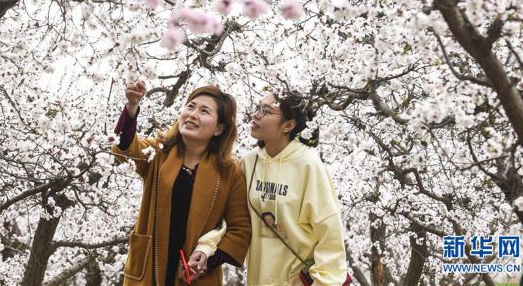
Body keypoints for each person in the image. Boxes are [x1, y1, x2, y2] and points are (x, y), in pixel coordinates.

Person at [189, 91, 349, 285]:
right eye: (258, 108)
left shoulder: (308, 165)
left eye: (266, 111)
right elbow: (233, 217)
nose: (256, 115)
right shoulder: (249, 163)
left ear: (288, 125)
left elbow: (329, 233)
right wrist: (206, 248)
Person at [112, 80, 251, 286]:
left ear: (219, 128)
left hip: (196, 276)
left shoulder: (230, 172)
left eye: (204, 111)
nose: (193, 114)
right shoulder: (159, 153)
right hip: (148, 268)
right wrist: (131, 108)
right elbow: (126, 151)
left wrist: (207, 260)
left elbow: (240, 229)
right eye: (190, 106)